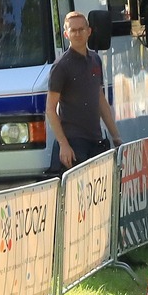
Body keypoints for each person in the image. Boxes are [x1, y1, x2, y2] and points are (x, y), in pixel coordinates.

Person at [44, 11, 122, 175]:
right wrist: (63, 144)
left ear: (89, 31)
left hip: (96, 140)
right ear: (66, 34)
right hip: (74, 143)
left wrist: (116, 137)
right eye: (73, 30)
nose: (77, 33)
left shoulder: (95, 60)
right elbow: (50, 109)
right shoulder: (61, 66)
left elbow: (100, 101)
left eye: (81, 29)